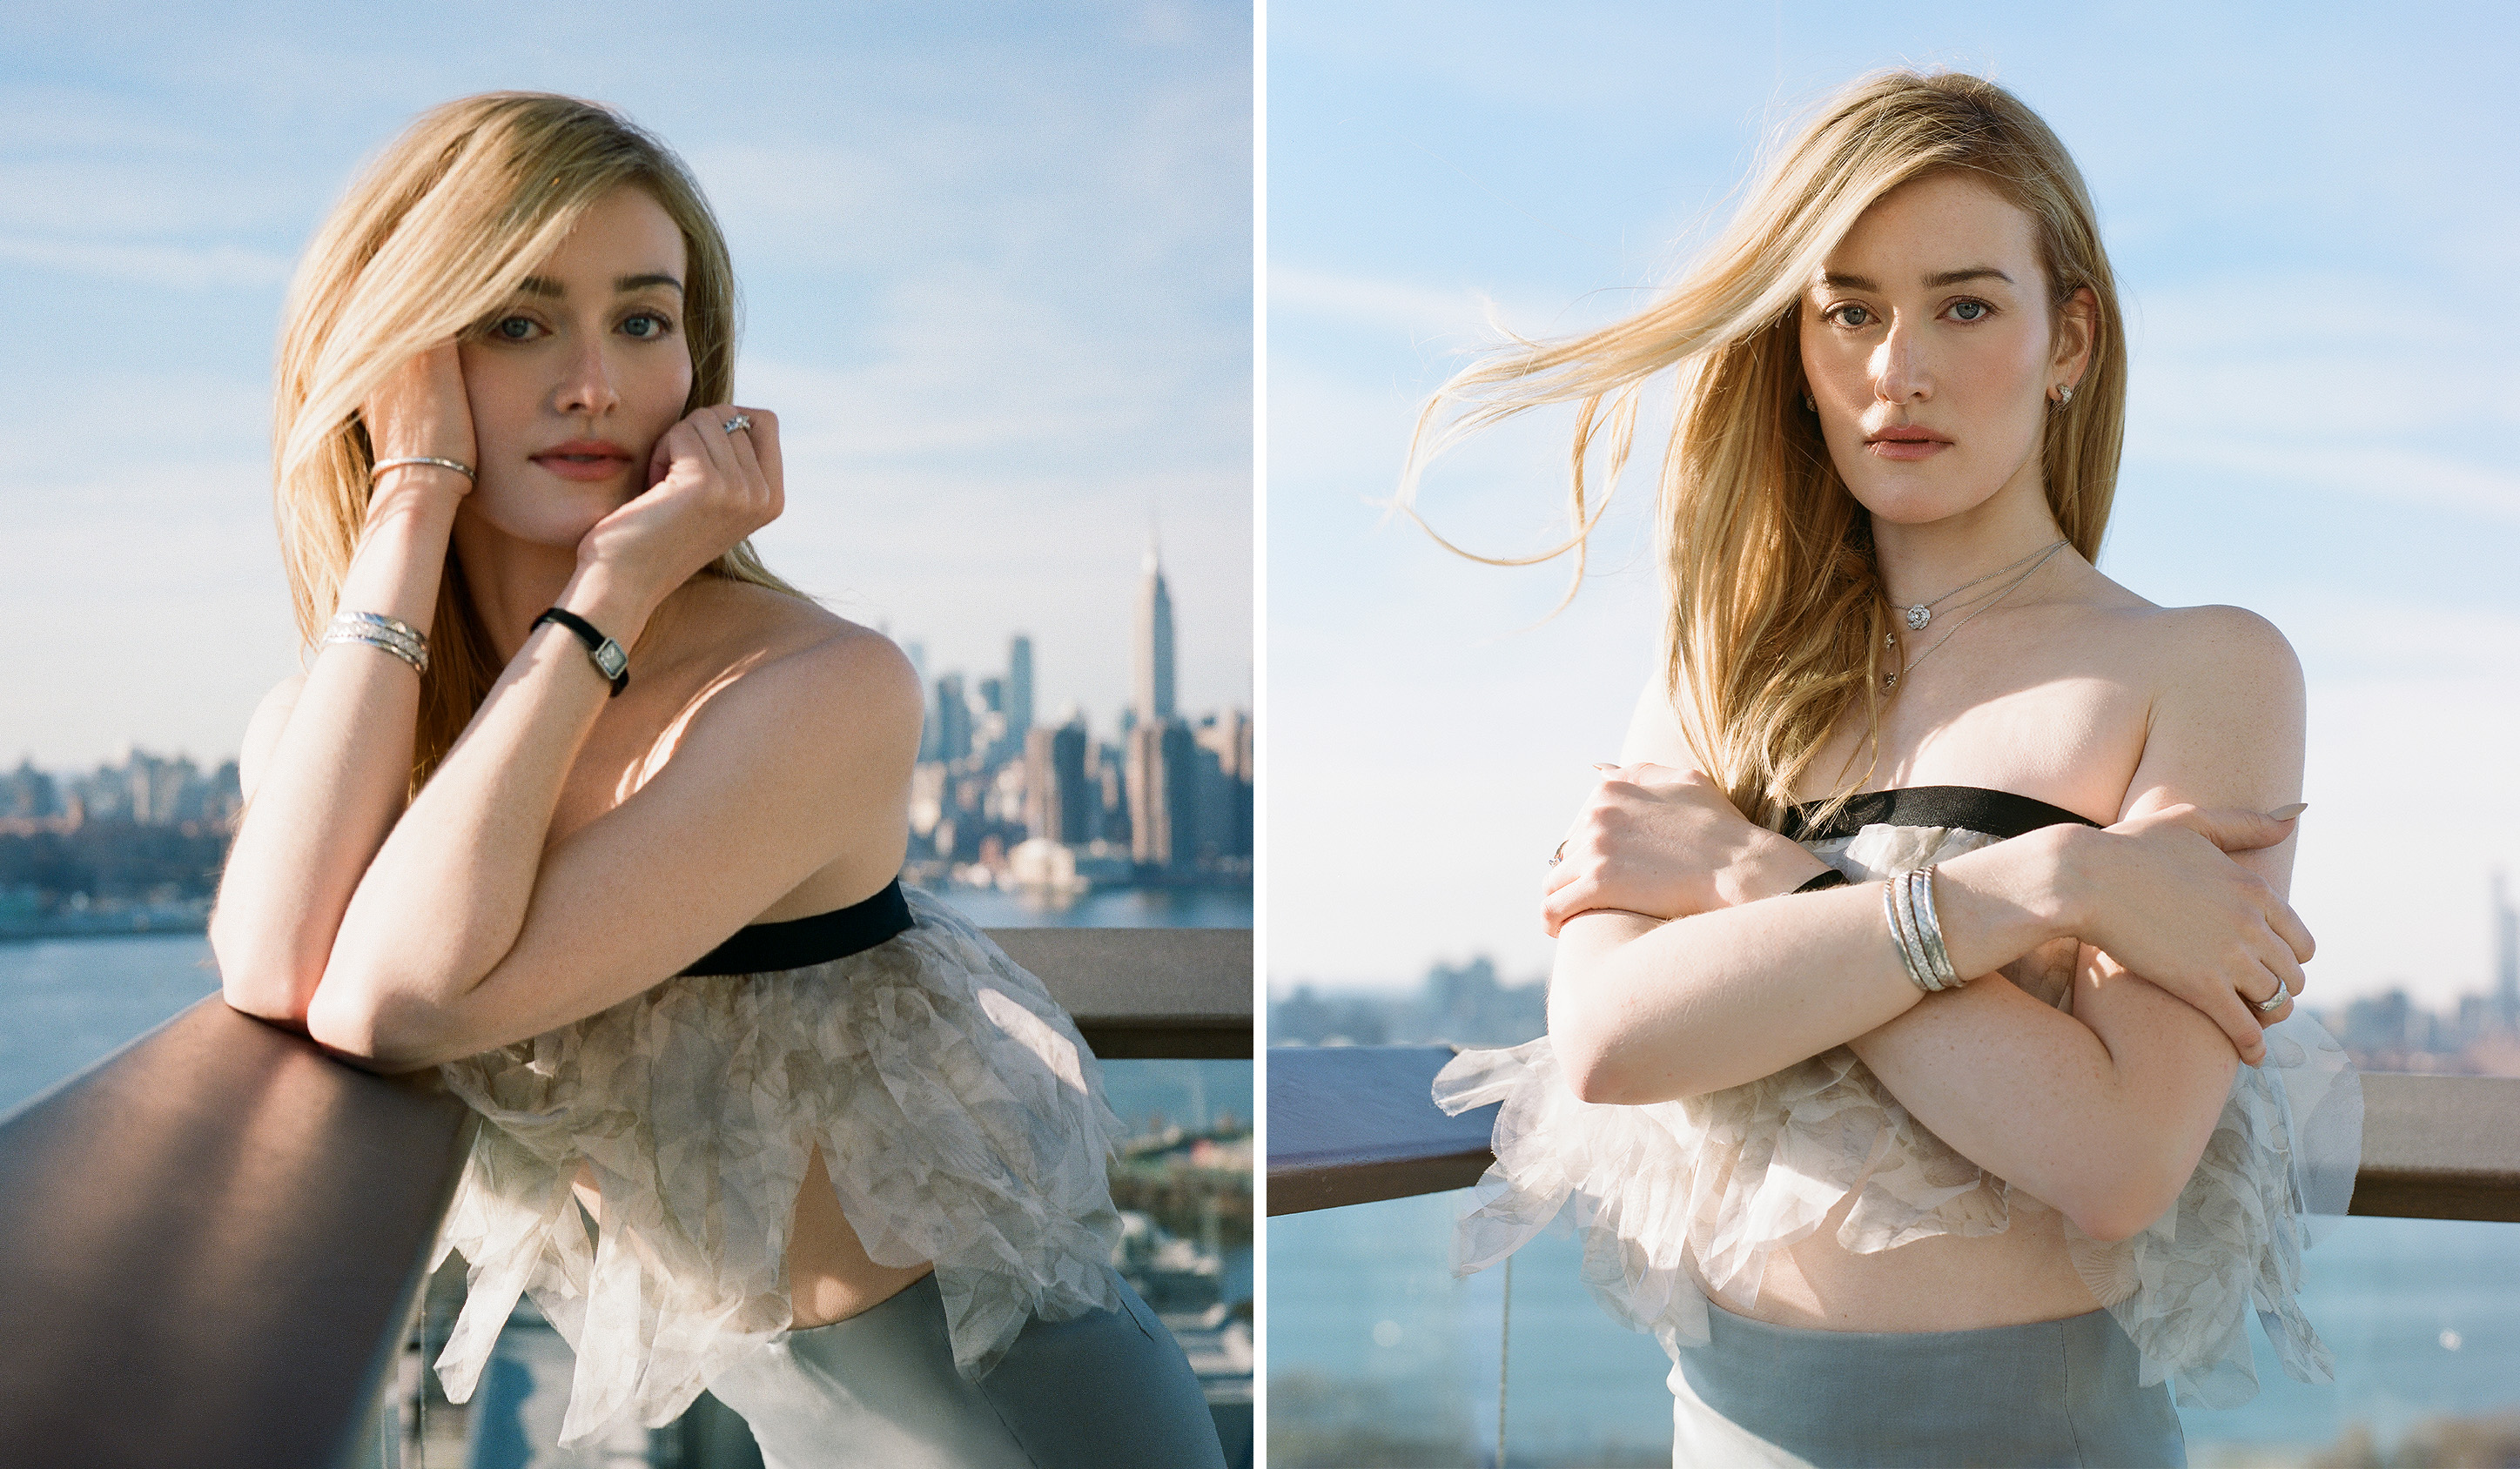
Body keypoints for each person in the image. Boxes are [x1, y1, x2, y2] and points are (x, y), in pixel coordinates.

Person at [207, 92, 1225, 1469]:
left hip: (1012, 1425)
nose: (595, 385)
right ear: (400, 359)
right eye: (517, 321)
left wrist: (617, 583)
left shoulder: (816, 692)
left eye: (642, 320)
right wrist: (406, 508)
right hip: (768, 1423)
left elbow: (391, 1000)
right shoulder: (345, 714)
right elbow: (277, 966)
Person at [1411, 71, 2361, 1467]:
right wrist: (2047, 881)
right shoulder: (1715, 672)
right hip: (1726, 1429)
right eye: (1849, 309)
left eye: (1965, 306)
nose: (1894, 371)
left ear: (2069, 339)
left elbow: (2111, 1158)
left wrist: (1757, 880)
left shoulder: (2206, 668)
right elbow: (1613, 1041)